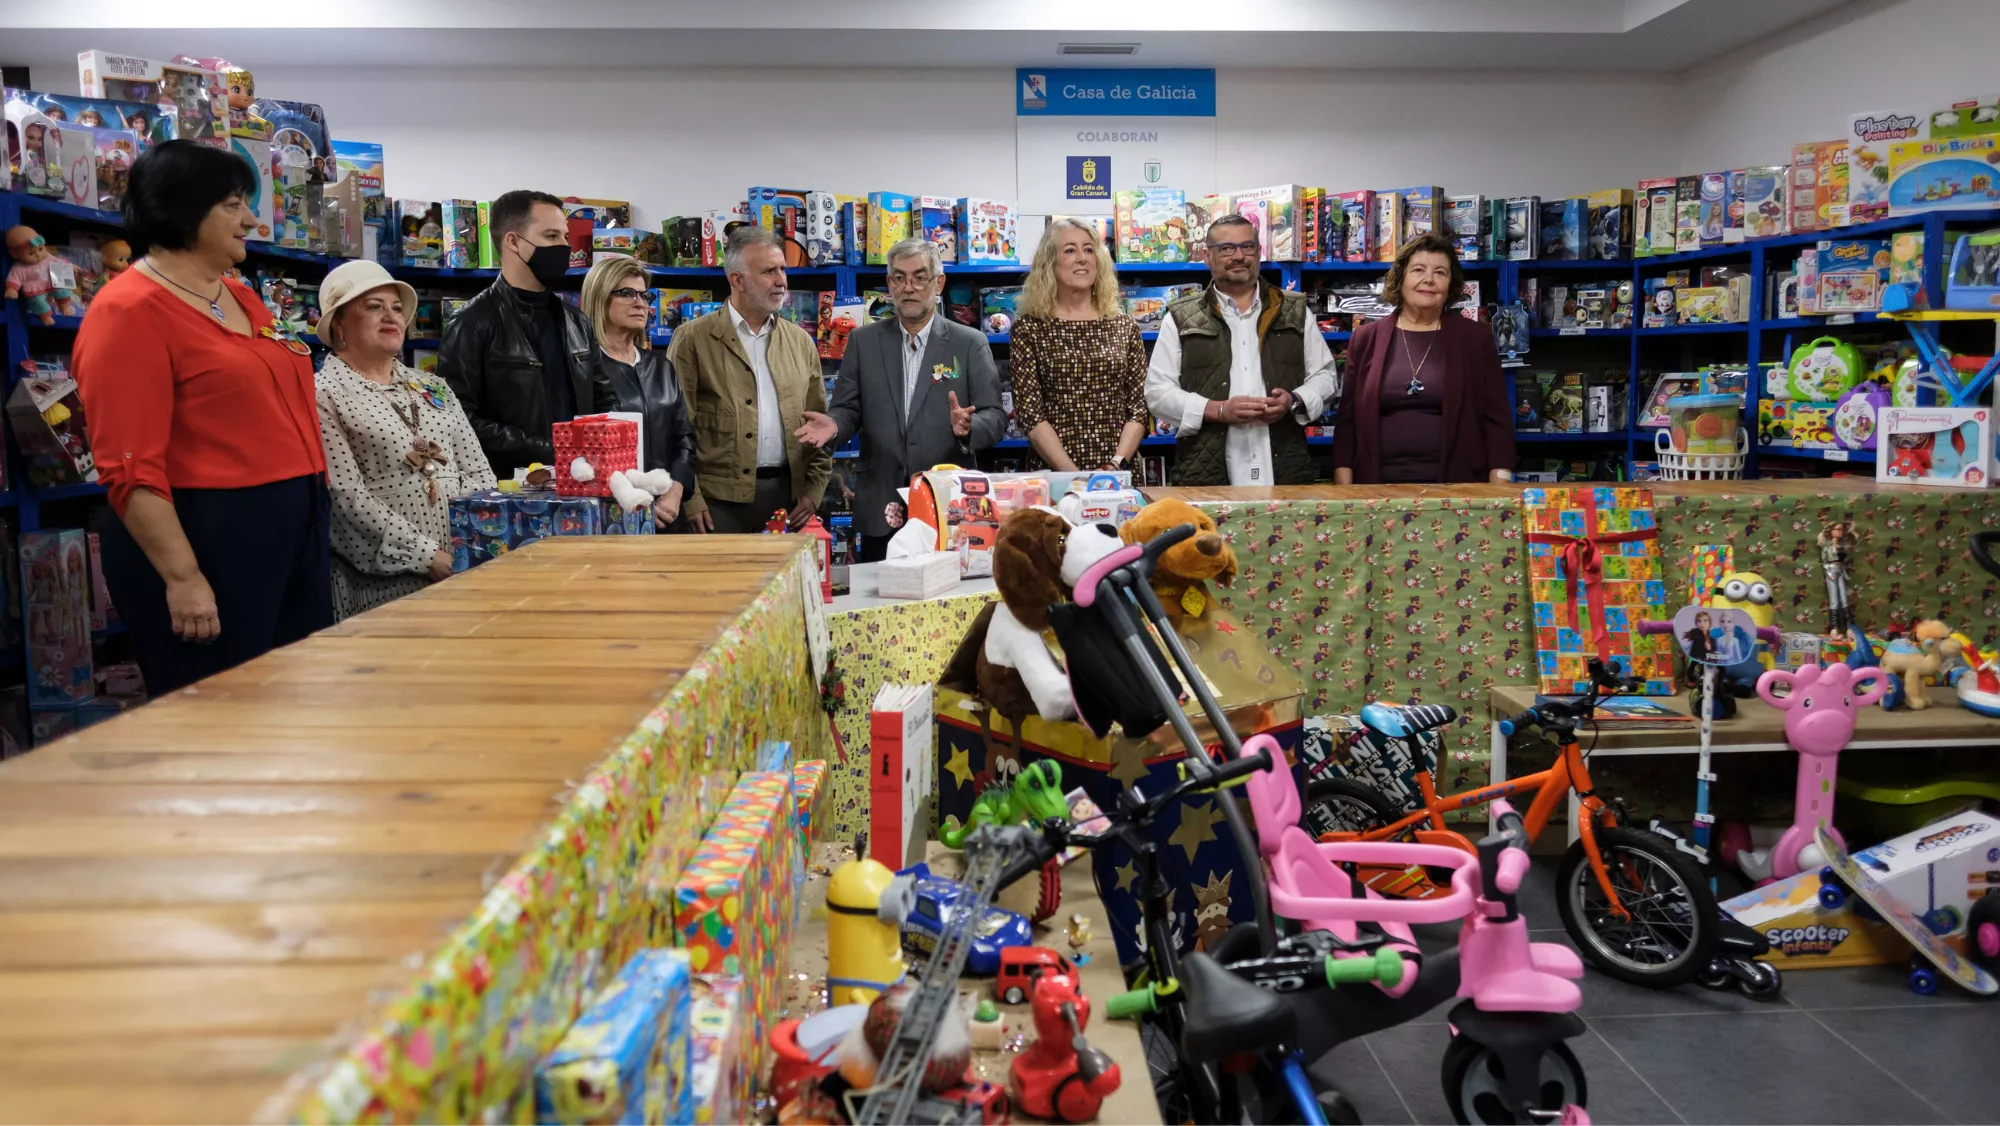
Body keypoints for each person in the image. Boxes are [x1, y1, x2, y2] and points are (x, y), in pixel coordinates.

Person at [71, 139, 331, 695]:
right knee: (224, 712)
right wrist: (183, 576)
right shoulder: (127, 309)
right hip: (209, 537)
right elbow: (127, 463)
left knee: (298, 701)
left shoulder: (241, 295)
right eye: (234, 205)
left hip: (295, 527)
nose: (251, 220)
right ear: (182, 208)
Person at [796, 237, 1004, 561]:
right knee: (880, 591)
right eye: (899, 278)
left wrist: (970, 427)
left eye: (919, 277)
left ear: (938, 283)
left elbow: (995, 416)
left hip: (947, 506)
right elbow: (848, 409)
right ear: (889, 284)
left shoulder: (969, 342)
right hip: (881, 504)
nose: (909, 287)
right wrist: (834, 425)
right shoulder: (863, 342)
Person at [315, 260, 496, 619]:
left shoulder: (434, 386)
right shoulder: (323, 393)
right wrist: (428, 557)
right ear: (338, 324)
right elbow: (345, 499)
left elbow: (479, 472)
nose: (391, 317)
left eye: (397, 308)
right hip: (382, 582)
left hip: (464, 564)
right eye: (373, 307)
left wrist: (472, 543)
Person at [1145, 214, 1340, 487]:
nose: (1239, 256)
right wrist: (1217, 410)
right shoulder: (1180, 317)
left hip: (1286, 472)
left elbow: (1326, 377)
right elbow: (1157, 393)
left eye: (1247, 247)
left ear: (1258, 252)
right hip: (1206, 476)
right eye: (1226, 248)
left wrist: (1294, 400)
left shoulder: (1294, 310)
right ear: (1207, 256)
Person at [436, 189, 615, 479]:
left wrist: (598, 445)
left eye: (565, 237)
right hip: (508, 488)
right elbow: (456, 418)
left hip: (581, 481)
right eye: (551, 236)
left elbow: (604, 398)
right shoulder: (471, 323)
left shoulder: (577, 321)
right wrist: (550, 449)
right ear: (513, 242)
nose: (565, 247)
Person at [669, 226, 830, 533]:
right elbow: (676, 426)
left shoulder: (800, 342)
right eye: (769, 271)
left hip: (788, 498)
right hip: (716, 503)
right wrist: (691, 498)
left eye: (783, 269)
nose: (782, 280)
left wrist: (814, 489)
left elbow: (819, 424)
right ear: (737, 280)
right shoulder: (692, 339)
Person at [1333, 232, 1515, 485]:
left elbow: (1497, 420)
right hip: (1375, 487)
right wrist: (1346, 492)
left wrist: (1499, 487)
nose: (1429, 279)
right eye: (1418, 270)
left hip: (1458, 486)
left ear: (1450, 285)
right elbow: (1347, 422)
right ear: (1401, 278)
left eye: (1440, 273)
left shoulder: (1475, 338)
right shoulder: (1365, 338)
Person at [1006, 218, 1148, 475]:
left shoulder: (1125, 326)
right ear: (1050, 262)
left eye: (1089, 249)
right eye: (1070, 250)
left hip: (1119, 473)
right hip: (1056, 474)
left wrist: (1115, 466)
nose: (1082, 258)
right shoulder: (1028, 328)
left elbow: (1139, 409)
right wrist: (1075, 477)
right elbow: (1031, 415)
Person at [583, 256, 695, 530]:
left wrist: (674, 492)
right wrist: (633, 501)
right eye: (626, 293)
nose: (640, 303)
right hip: (609, 518)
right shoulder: (582, 368)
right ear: (599, 298)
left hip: (668, 514)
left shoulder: (661, 366)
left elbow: (684, 439)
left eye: (644, 295)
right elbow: (580, 453)